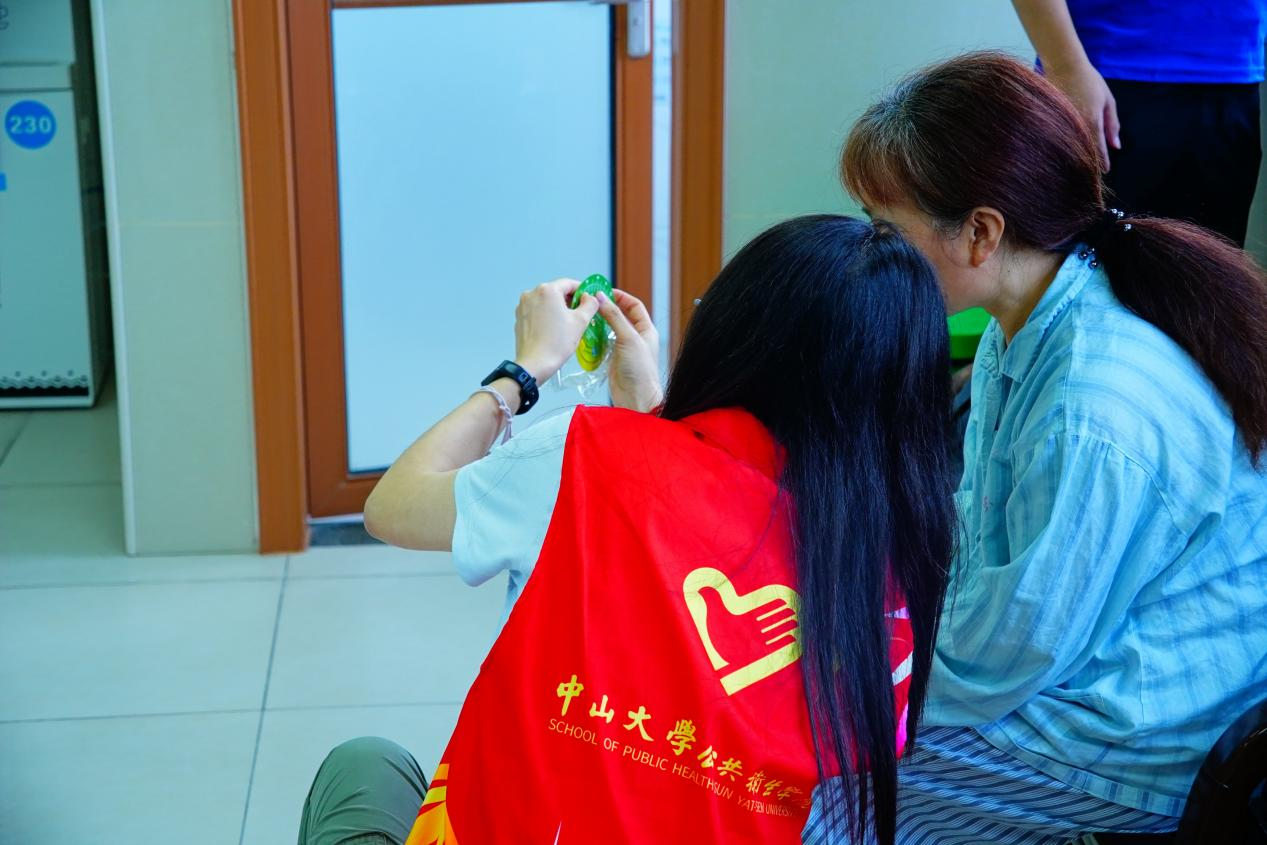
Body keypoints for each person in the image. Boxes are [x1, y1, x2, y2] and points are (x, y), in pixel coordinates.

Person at [298, 216, 958, 844]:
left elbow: (392, 505)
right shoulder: (898, 586)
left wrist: (524, 371)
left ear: (732, 333)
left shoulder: (587, 454)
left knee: (366, 766)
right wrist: (652, 414)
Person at [801, 52, 1267, 844]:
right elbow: (980, 552)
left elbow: (1003, 657)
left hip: (1140, 735)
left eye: (887, 229)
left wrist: (839, 672)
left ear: (981, 232)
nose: (871, 252)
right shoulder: (1024, 321)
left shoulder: (1092, 401)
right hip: (1070, 664)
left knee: (808, 781)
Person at [1011, 0, 1266, 246]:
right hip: (1107, 72)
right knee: (1085, 263)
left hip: (1236, 75)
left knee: (1209, 271)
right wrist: (1066, 68)